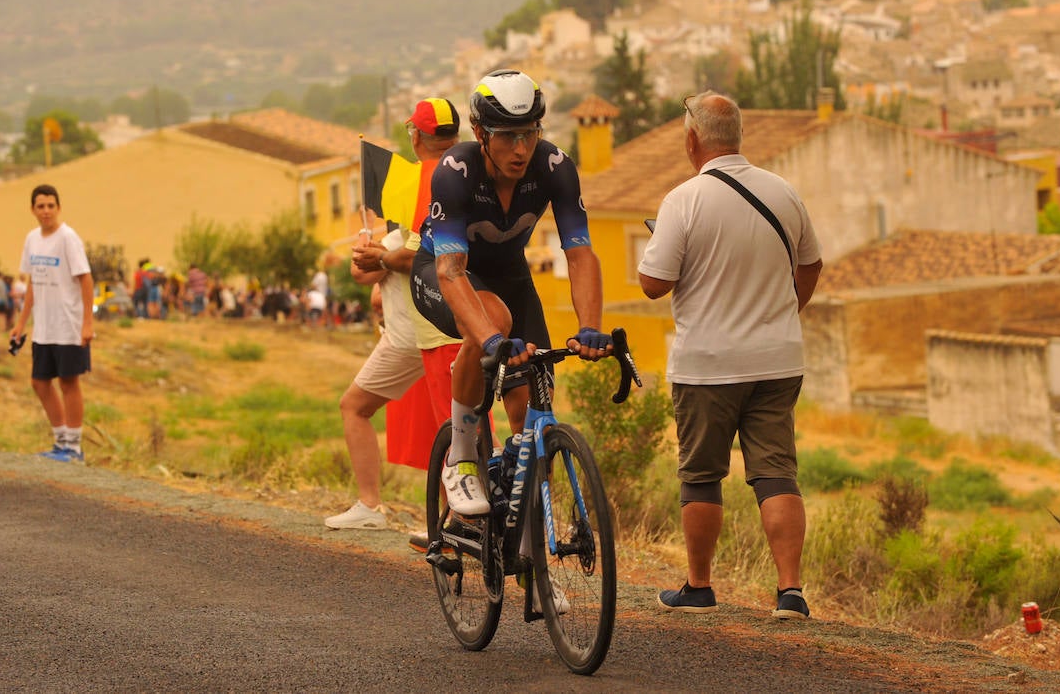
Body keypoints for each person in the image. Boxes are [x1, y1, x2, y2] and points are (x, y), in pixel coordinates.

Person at [637, 91, 823, 620]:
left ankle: (699, 586)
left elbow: (653, 284)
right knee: (776, 472)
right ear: (737, 135)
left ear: (692, 138)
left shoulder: (685, 199)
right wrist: (785, 313)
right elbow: (811, 265)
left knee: (701, 475)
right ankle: (791, 591)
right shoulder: (783, 191)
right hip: (778, 358)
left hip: (708, 366)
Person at [411, 70, 613, 519]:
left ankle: (533, 560)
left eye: (529, 133)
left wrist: (590, 327)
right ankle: (460, 458)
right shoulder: (455, 172)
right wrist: (489, 340)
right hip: (442, 272)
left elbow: (580, 255)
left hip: (510, 275)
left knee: (534, 422)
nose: (520, 149)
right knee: (492, 322)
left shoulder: (555, 168)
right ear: (481, 133)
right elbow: (450, 269)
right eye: (506, 136)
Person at [325, 98, 461, 530]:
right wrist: (376, 258)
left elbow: (401, 259)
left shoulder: (418, 190)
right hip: (453, 328)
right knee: (451, 425)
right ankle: (450, 519)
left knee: (357, 407)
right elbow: (369, 270)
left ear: (416, 137)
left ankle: (372, 506)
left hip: (417, 334)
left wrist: (379, 258)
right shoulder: (459, 181)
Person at [10, 185, 94, 463]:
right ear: (32, 209)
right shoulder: (32, 239)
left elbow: (85, 278)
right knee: (40, 382)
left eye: (50, 205)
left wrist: (87, 323)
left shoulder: (68, 238)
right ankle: (60, 441)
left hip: (68, 323)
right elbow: (33, 282)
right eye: (40, 206)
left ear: (58, 207)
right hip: (43, 326)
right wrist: (21, 323)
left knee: (69, 382)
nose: (46, 211)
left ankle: (74, 447)